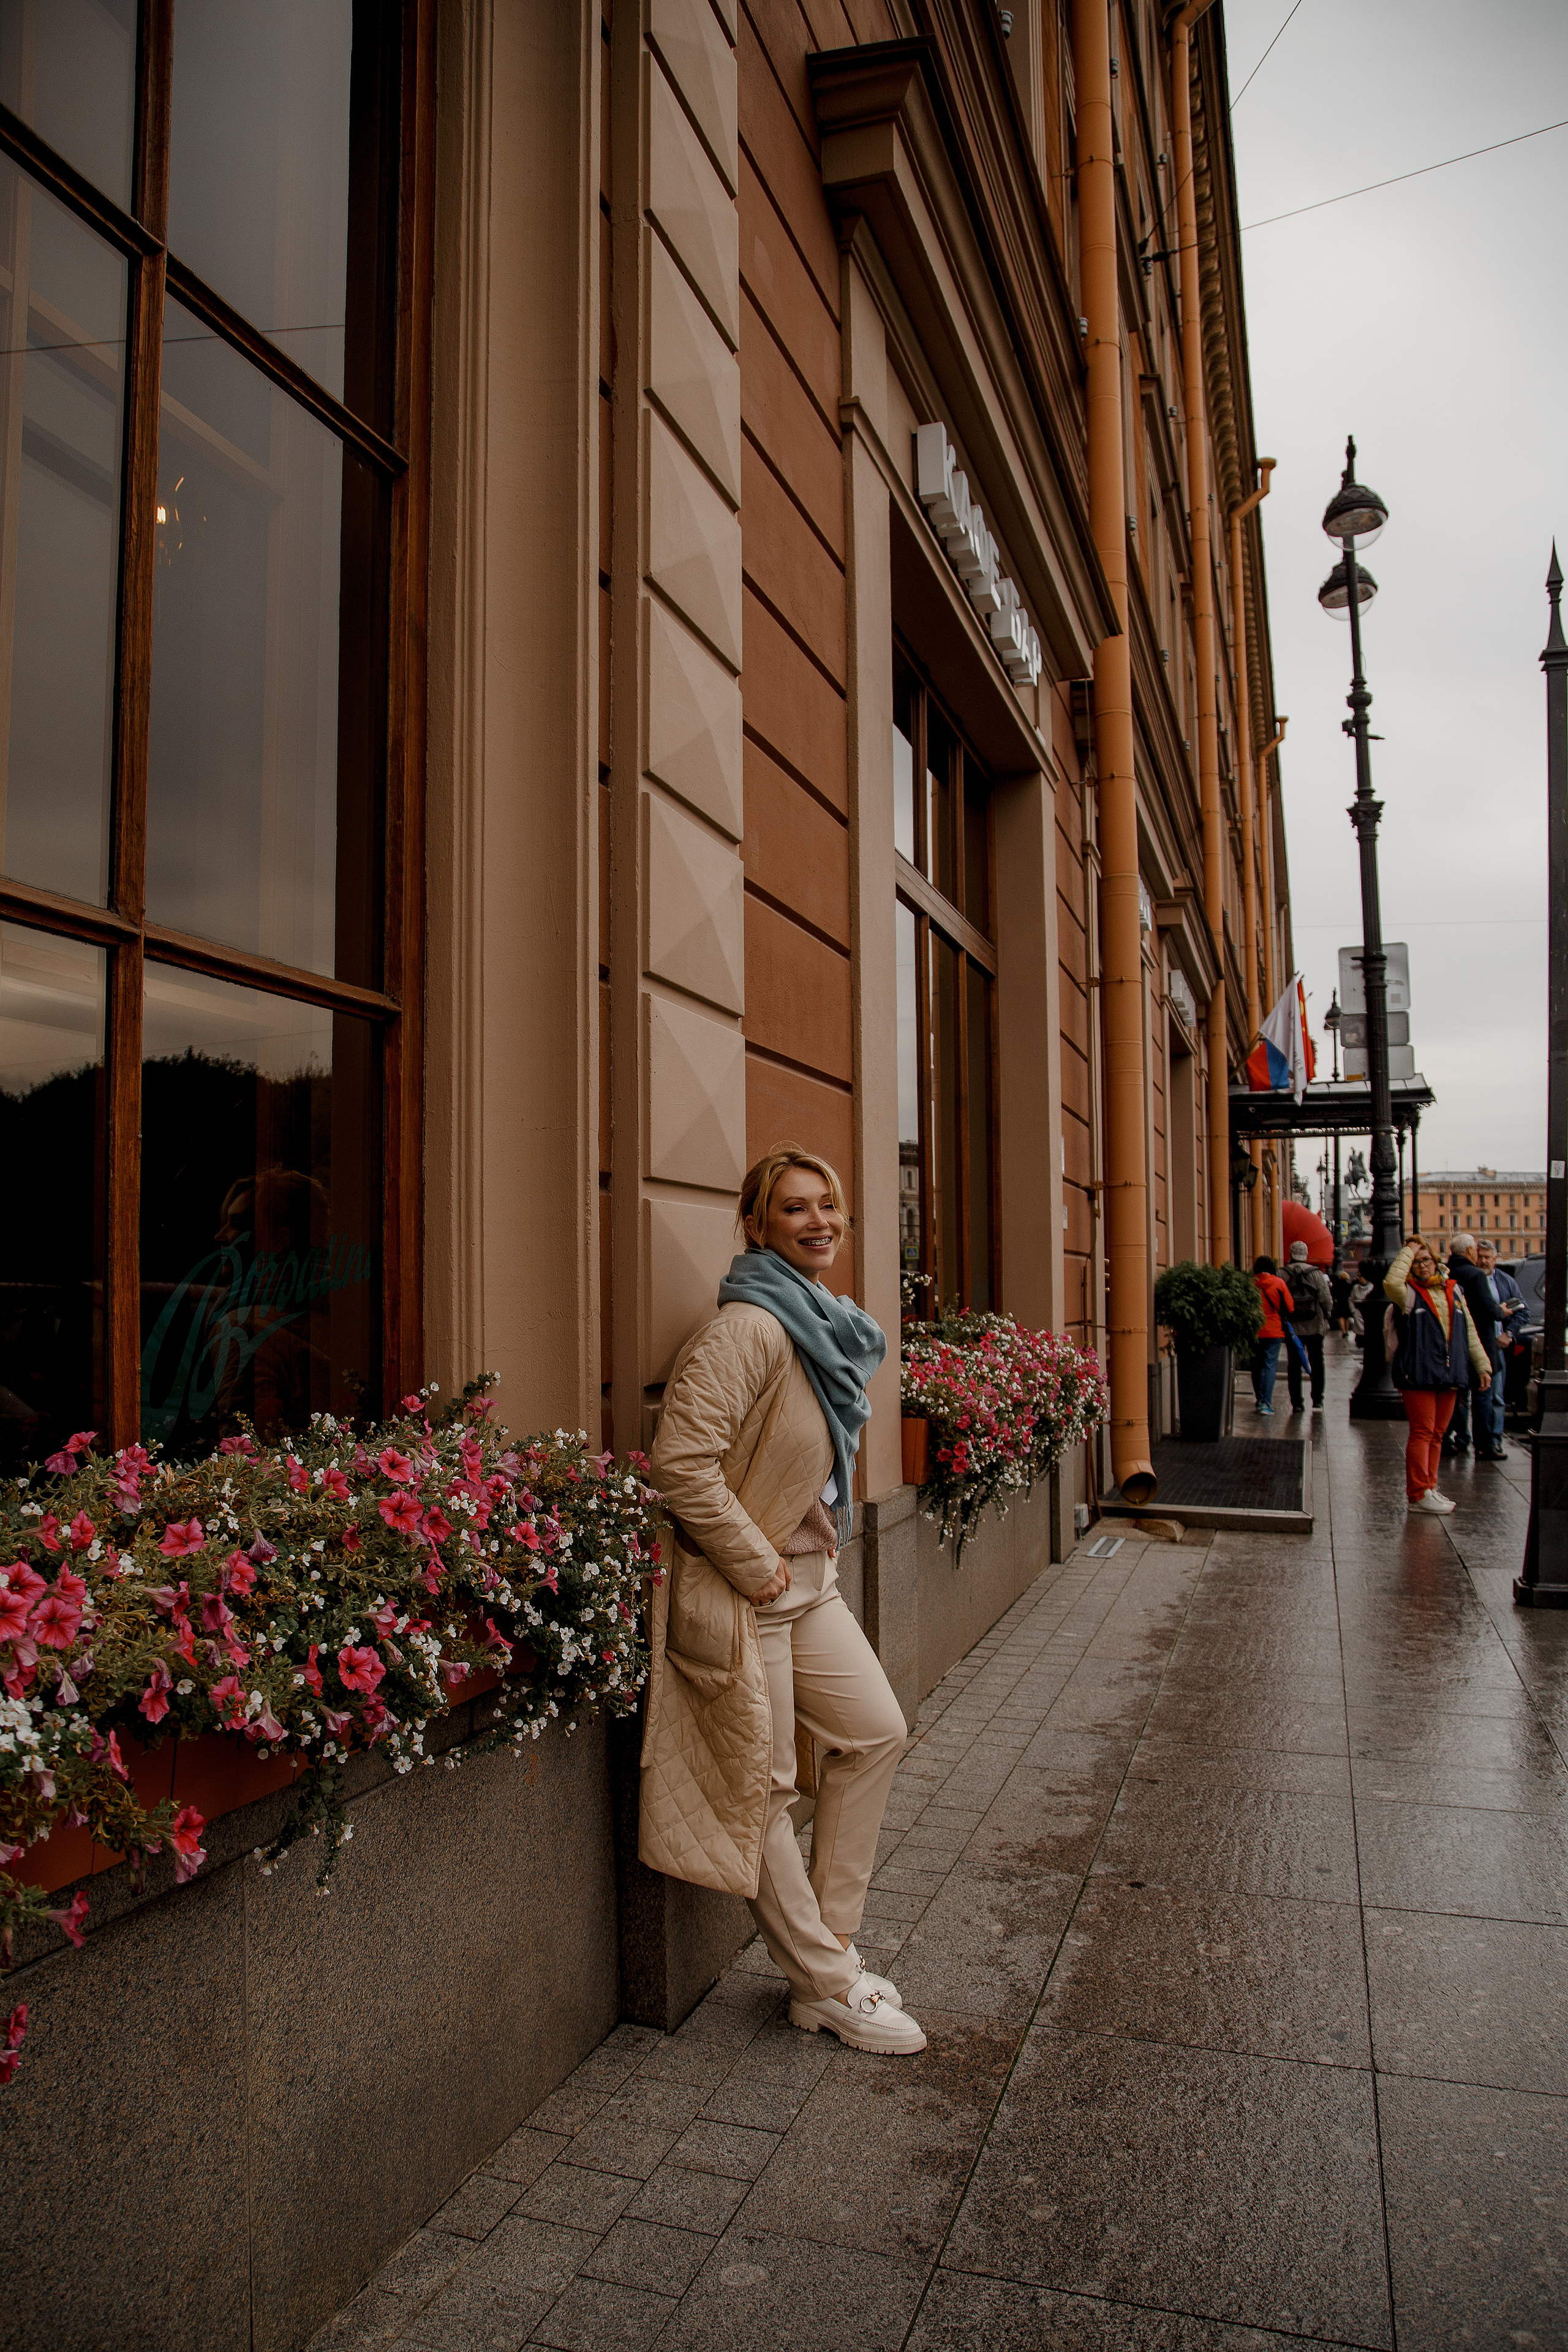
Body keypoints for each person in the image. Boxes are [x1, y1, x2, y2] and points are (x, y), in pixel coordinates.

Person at [641, 1142, 926, 2056]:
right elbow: (679, 1464)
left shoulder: (818, 1322)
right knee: (760, 1788)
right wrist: (754, 1563)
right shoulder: (750, 1329)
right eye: (795, 1209)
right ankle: (826, 1984)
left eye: (828, 1207)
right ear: (756, 1225)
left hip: (811, 1585)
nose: (819, 1222)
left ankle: (829, 1947)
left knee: (876, 1731)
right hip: (749, 1589)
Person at [1385, 1234, 1491, 1514]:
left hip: (1450, 1372)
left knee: (1438, 1433)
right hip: (1418, 1372)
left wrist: (1482, 1365)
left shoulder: (1454, 1291)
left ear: (1437, 1262)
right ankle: (1419, 1493)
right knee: (1422, 1432)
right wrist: (1410, 1249)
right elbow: (1390, 1282)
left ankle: (1429, 1487)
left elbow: (1468, 1331)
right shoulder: (1406, 1293)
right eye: (1417, 1263)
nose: (1423, 1266)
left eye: (1427, 1260)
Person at [1441, 1233, 1499, 1458]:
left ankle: (1452, 1439)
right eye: (1475, 1249)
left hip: (1454, 1345)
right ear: (1469, 1252)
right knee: (1483, 1396)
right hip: (1479, 1342)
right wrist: (1501, 1311)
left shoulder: (1446, 1273)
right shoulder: (1475, 1275)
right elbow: (1489, 1309)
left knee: (1456, 1397)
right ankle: (1484, 1445)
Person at [1474, 1241, 1524, 1461]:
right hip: (1472, 1347)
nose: (1484, 1261)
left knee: (1496, 1397)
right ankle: (1465, 1439)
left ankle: (1494, 1440)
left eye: (1488, 1257)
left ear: (1496, 1258)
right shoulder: (1471, 1279)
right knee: (1467, 1398)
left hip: (1495, 1349)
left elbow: (1523, 1311)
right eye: (1480, 1256)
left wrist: (1509, 1333)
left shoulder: (1506, 1282)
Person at [1284, 1240, 1334, 1412]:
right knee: (1317, 1361)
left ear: (1291, 1254)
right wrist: (1327, 1315)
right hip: (1314, 1325)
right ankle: (1318, 1399)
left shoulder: (1282, 1273)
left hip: (1292, 1328)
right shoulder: (1316, 1273)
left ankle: (1297, 1403)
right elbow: (1326, 1299)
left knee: (1294, 1364)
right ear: (1306, 1255)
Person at [1250, 1254, 1295, 1415]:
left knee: (1255, 1366)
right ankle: (1266, 1403)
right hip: (1274, 1331)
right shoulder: (1279, 1283)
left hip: (1254, 1330)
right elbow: (1290, 1307)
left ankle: (1259, 1399)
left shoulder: (1251, 1284)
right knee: (1270, 1365)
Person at [1331, 1261, 1353, 1336]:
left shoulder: (1337, 1285)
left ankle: (1343, 1331)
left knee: (1341, 1317)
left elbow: (1333, 1293)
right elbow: (1351, 1293)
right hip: (1347, 1302)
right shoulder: (1348, 1284)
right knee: (1347, 1318)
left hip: (1339, 1303)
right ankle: (1347, 1331)